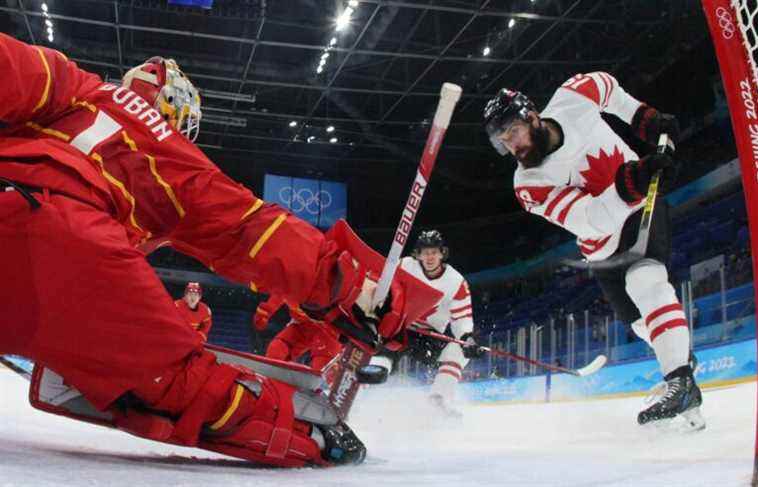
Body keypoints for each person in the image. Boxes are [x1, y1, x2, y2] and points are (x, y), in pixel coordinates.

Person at [0, 33, 435, 467]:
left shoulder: (74, 83)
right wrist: (351, 288)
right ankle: (310, 431)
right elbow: (248, 230)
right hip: (63, 239)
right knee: (182, 381)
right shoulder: (173, 154)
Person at [483, 72, 704, 429]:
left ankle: (681, 381)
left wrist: (646, 120)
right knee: (638, 322)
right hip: (601, 248)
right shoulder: (528, 183)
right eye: (503, 141)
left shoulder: (574, 95)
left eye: (513, 131)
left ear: (532, 116)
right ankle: (680, 358)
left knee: (645, 281)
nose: (512, 145)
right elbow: (589, 221)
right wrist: (634, 178)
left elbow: (611, 90)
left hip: (640, 211)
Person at [375, 230, 485, 418]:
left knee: (459, 349)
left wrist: (467, 338)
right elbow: (382, 285)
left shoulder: (456, 281)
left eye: (434, 252)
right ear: (418, 255)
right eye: (425, 252)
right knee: (378, 352)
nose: (430, 257)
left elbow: (462, 319)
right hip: (399, 328)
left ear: (443, 253)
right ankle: (366, 381)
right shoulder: (404, 265)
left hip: (427, 338)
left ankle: (438, 400)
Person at [253, 295, 343, 382]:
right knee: (277, 348)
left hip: (327, 329)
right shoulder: (286, 286)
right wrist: (264, 313)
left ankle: (329, 385)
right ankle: (272, 377)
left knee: (322, 365)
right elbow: (277, 296)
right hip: (302, 326)